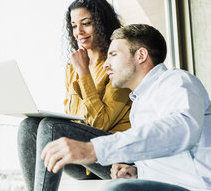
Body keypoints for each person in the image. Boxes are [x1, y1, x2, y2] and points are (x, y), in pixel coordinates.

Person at [41, 24, 211, 191]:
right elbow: (163, 158)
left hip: (196, 187)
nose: (106, 64)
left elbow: (182, 129)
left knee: (117, 189)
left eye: (113, 54)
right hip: (166, 186)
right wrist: (138, 172)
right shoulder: (138, 103)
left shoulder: (176, 80)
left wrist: (94, 149)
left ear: (141, 55)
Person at [17, 0, 132, 191]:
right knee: (29, 126)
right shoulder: (72, 67)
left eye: (86, 23)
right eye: (74, 25)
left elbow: (100, 123)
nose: (79, 31)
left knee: (51, 127)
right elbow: (76, 118)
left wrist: (84, 73)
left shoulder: (116, 63)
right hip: (81, 161)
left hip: (112, 158)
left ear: (101, 23)